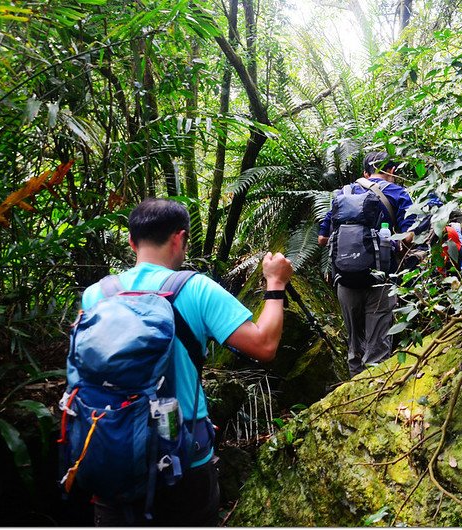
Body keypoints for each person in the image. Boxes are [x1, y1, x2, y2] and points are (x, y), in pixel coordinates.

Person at [80, 198, 293, 526]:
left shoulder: (96, 295)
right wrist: (275, 284)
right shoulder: (194, 289)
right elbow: (264, 345)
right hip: (183, 453)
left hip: (112, 448)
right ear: (179, 238)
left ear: (131, 241)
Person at [317, 152, 416, 377]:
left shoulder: (342, 194)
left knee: (355, 343)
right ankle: (374, 393)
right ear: (391, 171)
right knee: (378, 344)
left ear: (365, 173)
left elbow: (322, 239)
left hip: (345, 279)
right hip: (381, 279)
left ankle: (353, 390)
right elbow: (409, 236)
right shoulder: (398, 193)